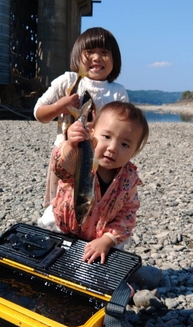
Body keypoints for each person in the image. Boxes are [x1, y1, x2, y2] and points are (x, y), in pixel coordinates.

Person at [34, 27, 129, 209]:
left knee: (94, 205)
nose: (96, 58)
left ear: (114, 59)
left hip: (101, 160)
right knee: (60, 206)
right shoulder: (68, 81)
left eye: (104, 53)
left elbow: (125, 129)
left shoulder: (118, 92)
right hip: (66, 157)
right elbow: (39, 113)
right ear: (78, 57)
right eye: (90, 52)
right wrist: (60, 106)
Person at [50, 101, 149, 264]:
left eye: (125, 144)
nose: (112, 148)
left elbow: (127, 215)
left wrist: (107, 240)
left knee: (101, 263)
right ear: (92, 133)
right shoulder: (79, 158)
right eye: (107, 137)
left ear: (135, 151)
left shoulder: (128, 179)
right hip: (62, 228)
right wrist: (70, 144)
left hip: (100, 238)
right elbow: (59, 168)